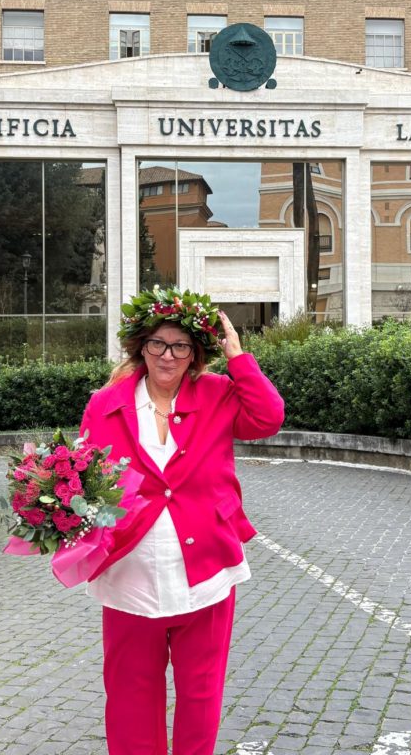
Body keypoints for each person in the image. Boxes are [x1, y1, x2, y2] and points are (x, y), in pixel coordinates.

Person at [79, 287, 285, 755]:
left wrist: (238, 356)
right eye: (158, 343)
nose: (167, 356)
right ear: (141, 347)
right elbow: (87, 484)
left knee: (200, 694)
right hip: (129, 575)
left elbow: (268, 417)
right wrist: (84, 522)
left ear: (195, 354)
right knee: (130, 696)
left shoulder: (217, 393)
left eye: (180, 346)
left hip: (205, 571)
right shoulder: (105, 403)